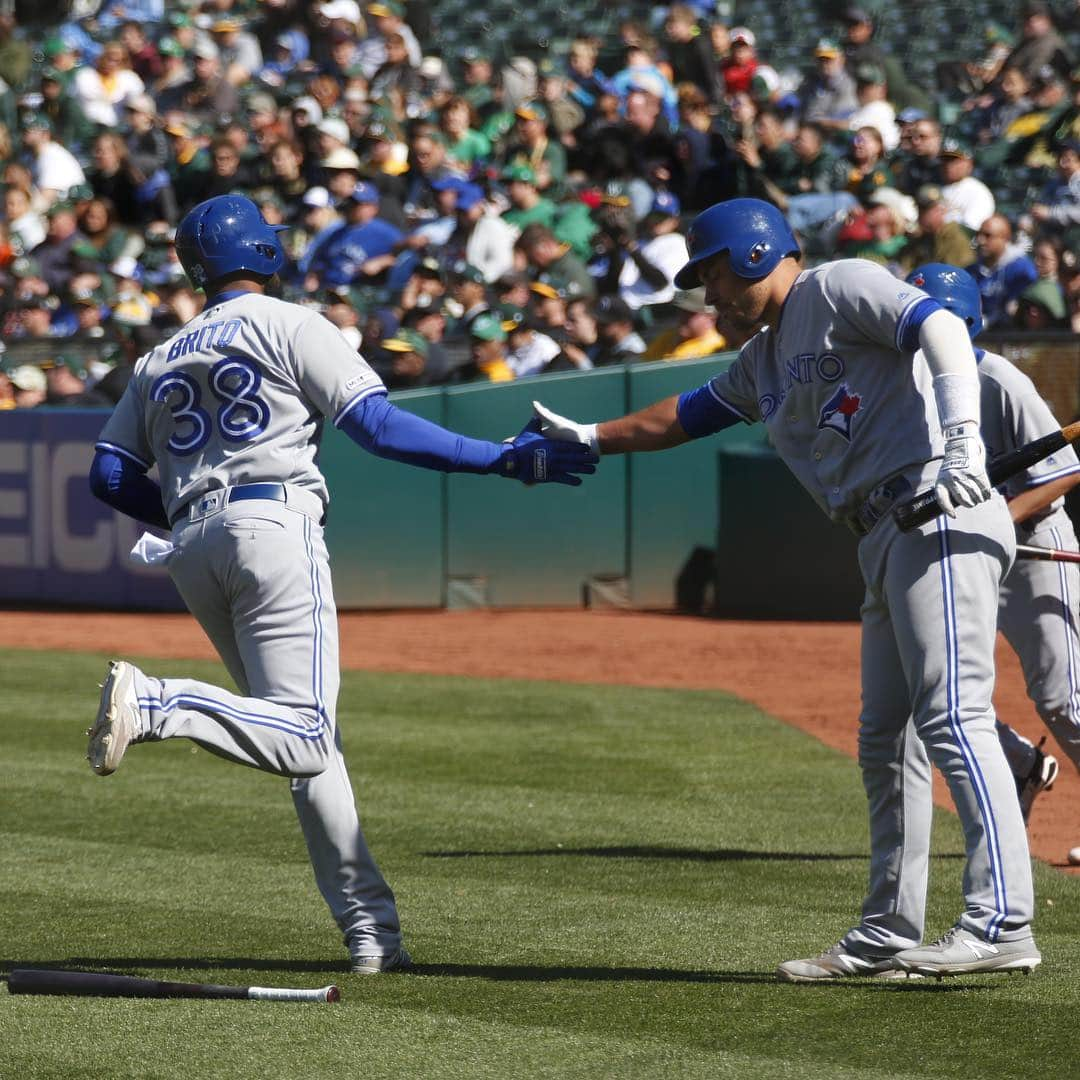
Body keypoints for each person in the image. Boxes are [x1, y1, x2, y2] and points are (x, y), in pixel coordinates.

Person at [531, 197, 1040, 980]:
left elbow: (938, 325)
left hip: (935, 500)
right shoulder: (765, 356)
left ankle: (1001, 920)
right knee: (885, 737)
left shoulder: (838, 285)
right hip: (881, 533)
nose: (713, 296)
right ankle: (887, 932)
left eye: (715, 275)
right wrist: (592, 437)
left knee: (953, 715)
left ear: (756, 252)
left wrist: (966, 442)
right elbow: (684, 415)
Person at [86, 195, 595, 972]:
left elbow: (110, 474)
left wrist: (194, 513)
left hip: (191, 542)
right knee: (306, 732)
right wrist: (501, 457)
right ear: (261, 251)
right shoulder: (291, 322)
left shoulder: (159, 355)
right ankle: (160, 703)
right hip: (271, 527)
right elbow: (380, 427)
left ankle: (370, 933)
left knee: (302, 742)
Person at [905, 264, 1080, 843]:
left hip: (1032, 550)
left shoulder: (998, 379)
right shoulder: (904, 386)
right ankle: (1023, 764)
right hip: (958, 552)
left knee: (1063, 701)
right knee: (933, 687)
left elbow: (1064, 471)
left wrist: (999, 517)